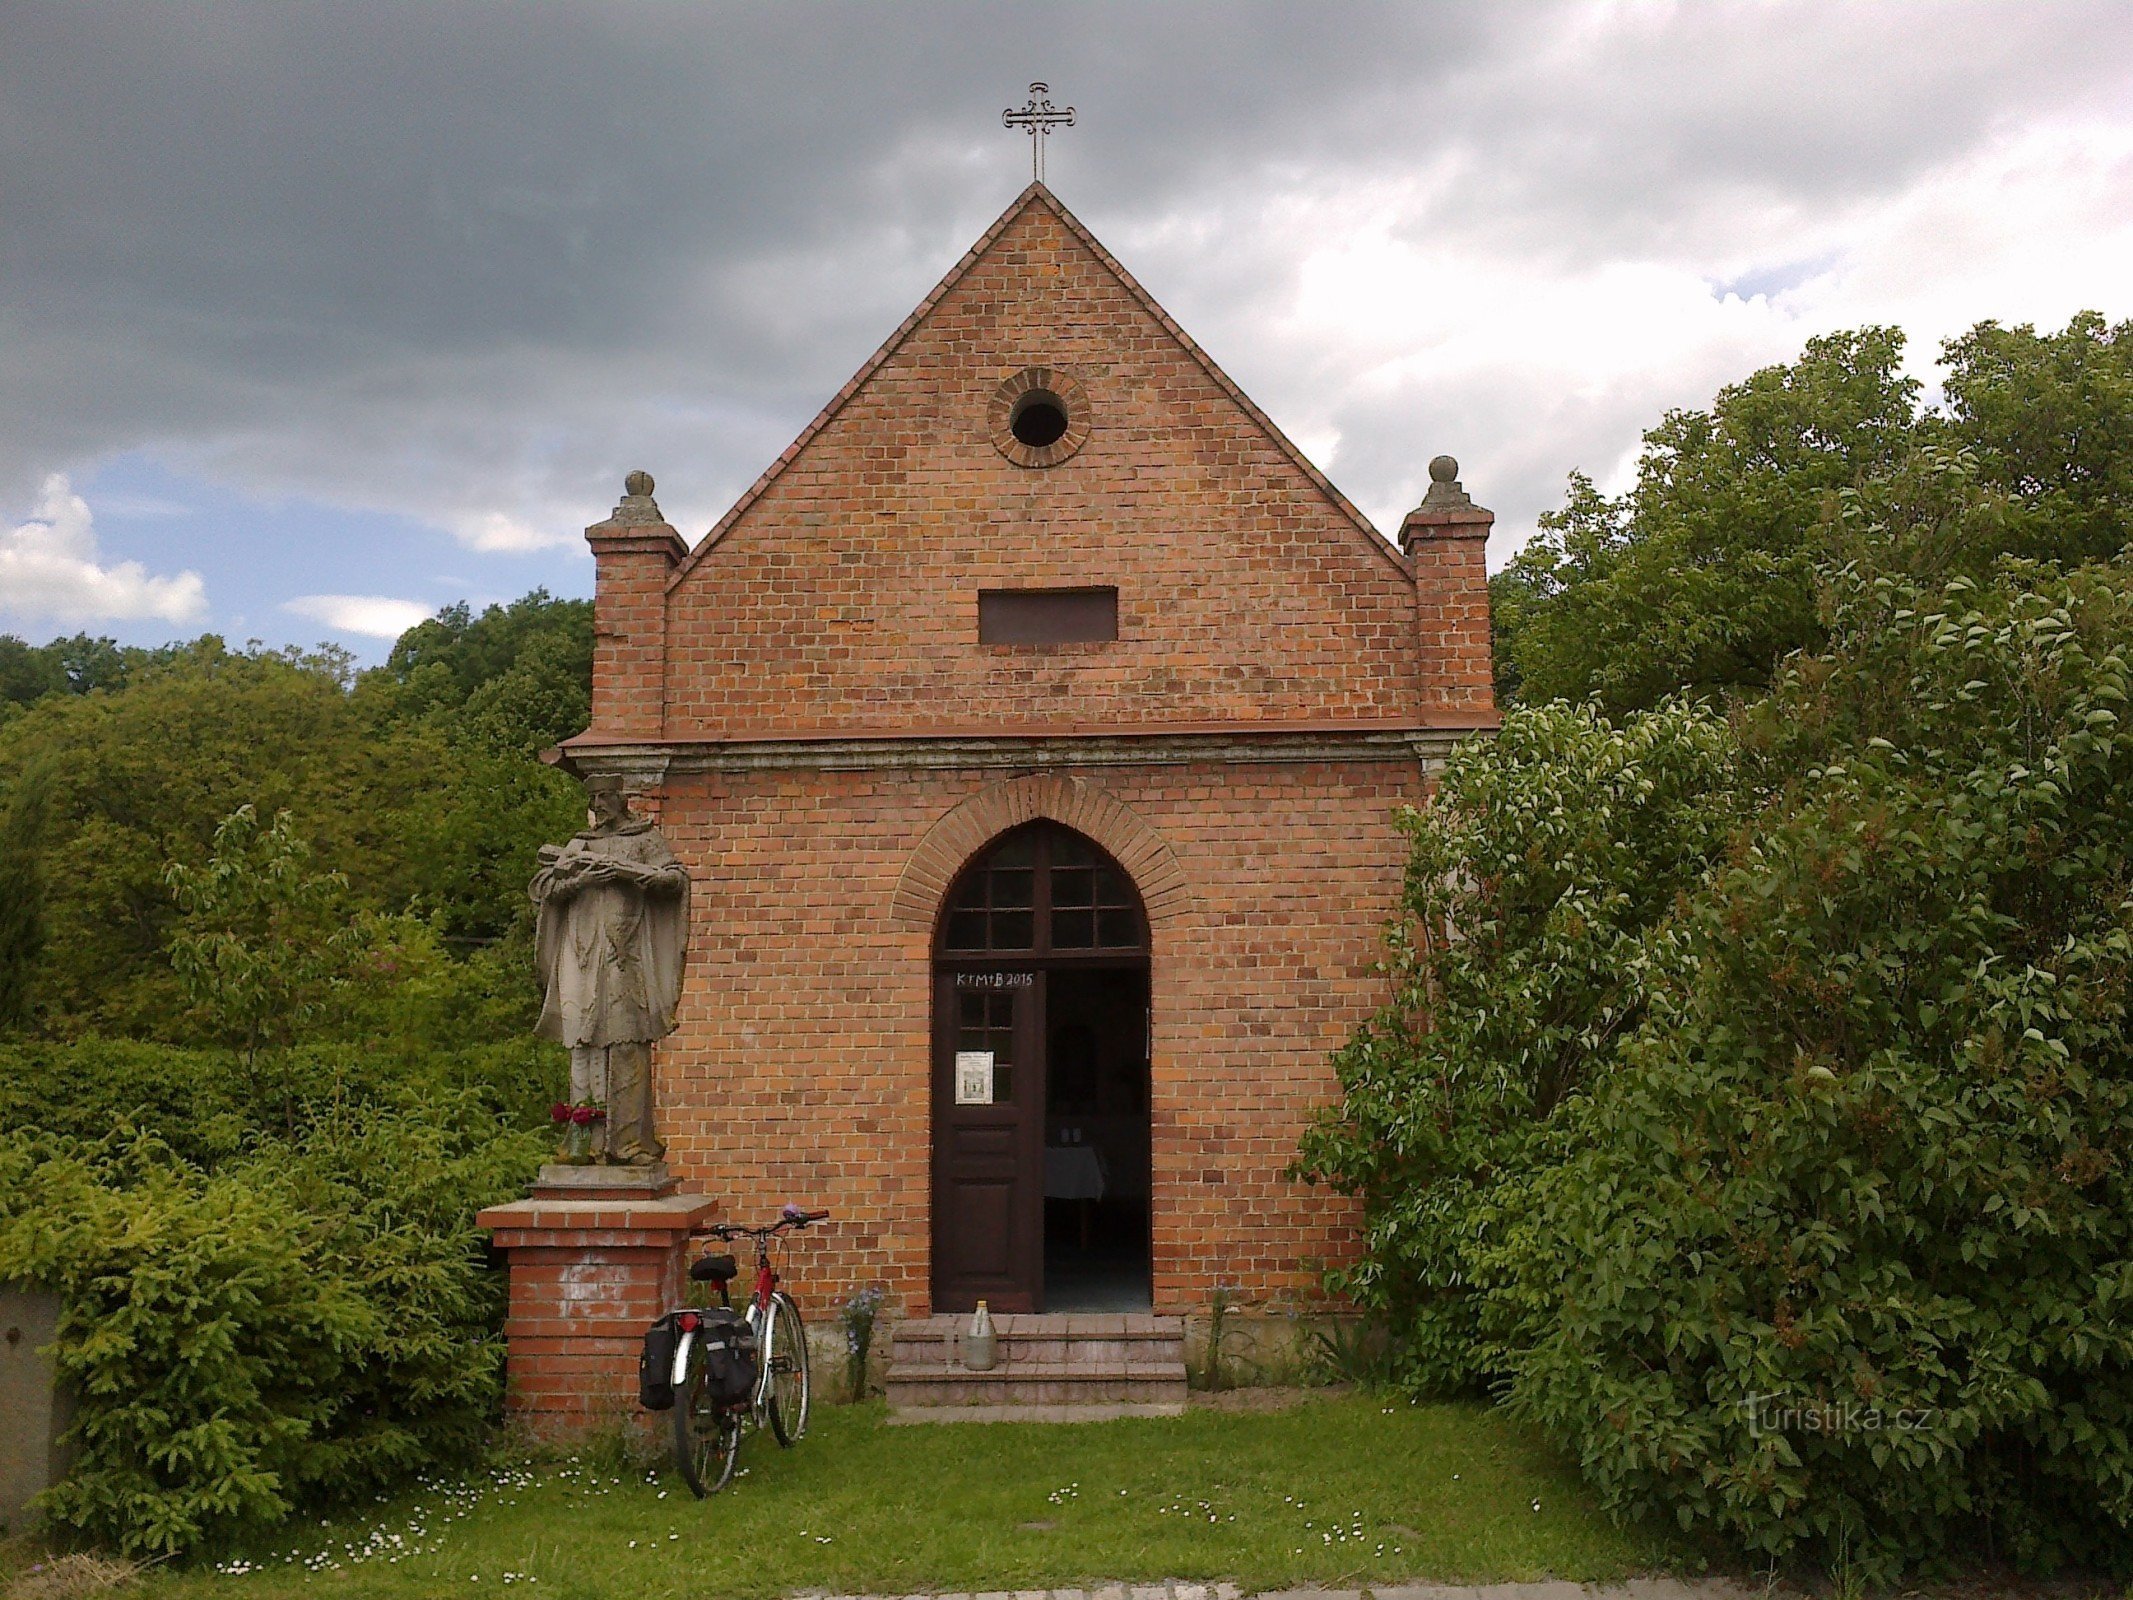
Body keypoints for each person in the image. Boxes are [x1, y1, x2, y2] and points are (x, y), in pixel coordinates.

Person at [530, 777, 690, 1164]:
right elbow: (545, 887)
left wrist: (631, 874)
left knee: (627, 1043)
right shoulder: (581, 843)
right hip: (583, 956)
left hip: (625, 958)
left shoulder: (644, 839)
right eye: (593, 798)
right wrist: (580, 880)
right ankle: (585, 1140)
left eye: (604, 796)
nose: (598, 804)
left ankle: (628, 1143)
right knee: (582, 1043)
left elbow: (674, 880)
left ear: (621, 799)